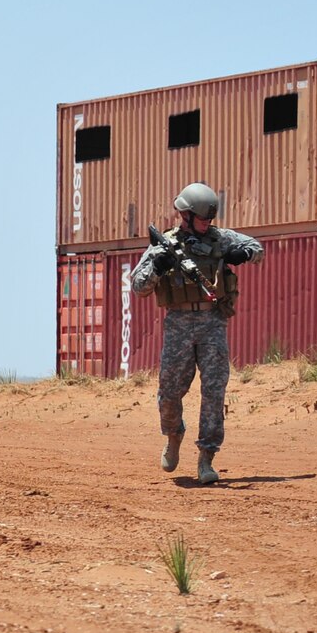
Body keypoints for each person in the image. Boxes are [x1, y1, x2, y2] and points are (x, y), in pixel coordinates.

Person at [129, 183, 262, 485]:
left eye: (210, 219)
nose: (207, 225)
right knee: (169, 393)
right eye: (203, 219)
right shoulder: (165, 245)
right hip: (178, 325)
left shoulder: (219, 238)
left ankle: (207, 458)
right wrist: (158, 268)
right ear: (185, 215)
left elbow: (257, 249)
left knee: (214, 392)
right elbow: (138, 287)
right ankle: (174, 435)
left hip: (213, 323)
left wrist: (240, 253)